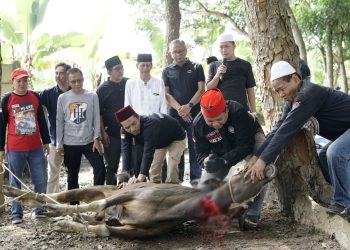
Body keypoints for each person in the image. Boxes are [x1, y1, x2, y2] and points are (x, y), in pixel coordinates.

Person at [246, 60, 350, 217]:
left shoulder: (309, 93)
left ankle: (344, 203)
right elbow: (277, 130)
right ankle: (344, 198)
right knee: (323, 156)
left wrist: (264, 160)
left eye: (282, 89)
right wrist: (256, 156)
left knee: (334, 153)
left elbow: (286, 132)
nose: (281, 95)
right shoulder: (292, 101)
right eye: (277, 92)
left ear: (295, 79)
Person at [193, 88, 267, 229]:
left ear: (226, 109)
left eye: (219, 119)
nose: (215, 124)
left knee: (259, 169)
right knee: (205, 186)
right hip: (222, 151)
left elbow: (245, 146)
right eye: (210, 121)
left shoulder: (238, 111)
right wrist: (206, 162)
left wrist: (225, 161)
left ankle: (252, 215)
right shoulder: (198, 125)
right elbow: (200, 152)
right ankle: (214, 214)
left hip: (251, 140)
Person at [0, 68, 50, 224]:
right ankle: (17, 213)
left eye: (25, 80)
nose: (22, 84)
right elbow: (2, 125)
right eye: (19, 81)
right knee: (15, 182)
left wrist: (46, 141)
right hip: (15, 148)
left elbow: (41, 119)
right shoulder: (7, 99)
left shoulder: (35, 96)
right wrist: (1, 149)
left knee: (40, 179)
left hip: (36, 147)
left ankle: (40, 210)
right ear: (13, 82)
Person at [56, 68, 105, 196]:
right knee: (72, 175)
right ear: (68, 82)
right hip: (70, 142)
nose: (77, 84)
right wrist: (59, 144)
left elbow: (96, 118)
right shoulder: (63, 98)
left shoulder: (92, 96)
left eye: (79, 80)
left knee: (100, 168)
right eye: (73, 81)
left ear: (83, 79)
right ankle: (74, 206)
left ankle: (96, 198)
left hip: (89, 141)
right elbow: (59, 121)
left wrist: (96, 138)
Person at [162, 39, 205, 183]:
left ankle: (196, 180)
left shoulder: (196, 67)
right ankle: (177, 180)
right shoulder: (167, 71)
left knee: (195, 148)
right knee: (176, 148)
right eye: (175, 51)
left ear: (186, 50)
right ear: (170, 53)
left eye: (181, 50)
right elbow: (166, 94)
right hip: (175, 115)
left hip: (195, 113)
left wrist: (189, 106)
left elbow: (201, 89)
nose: (178, 54)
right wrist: (180, 109)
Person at [116, 105, 186, 184]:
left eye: (134, 124)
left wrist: (139, 179)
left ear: (138, 117)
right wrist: (124, 179)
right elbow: (126, 152)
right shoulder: (124, 131)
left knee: (172, 167)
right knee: (154, 172)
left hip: (176, 137)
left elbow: (148, 152)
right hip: (158, 143)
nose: (132, 129)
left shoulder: (150, 123)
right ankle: (156, 192)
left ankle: (174, 190)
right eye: (127, 127)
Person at [124, 53, 167, 178]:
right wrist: (130, 129)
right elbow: (128, 107)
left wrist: (162, 126)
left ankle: (160, 190)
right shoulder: (130, 83)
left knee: (158, 162)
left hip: (156, 126)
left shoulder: (159, 82)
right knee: (139, 161)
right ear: (137, 66)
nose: (145, 68)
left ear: (151, 65)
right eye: (142, 65)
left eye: (148, 65)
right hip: (137, 127)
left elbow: (163, 105)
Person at [40, 62, 71, 193]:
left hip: (73, 140)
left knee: (72, 172)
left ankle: (72, 200)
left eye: (61, 73)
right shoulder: (48, 93)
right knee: (53, 173)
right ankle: (52, 201)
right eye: (56, 73)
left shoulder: (76, 92)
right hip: (54, 140)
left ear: (68, 75)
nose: (58, 76)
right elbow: (32, 101)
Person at [96, 56, 128, 185]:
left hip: (130, 132)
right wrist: (103, 133)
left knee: (131, 165)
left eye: (122, 67)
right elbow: (99, 114)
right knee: (111, 166)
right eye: (117, 69)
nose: (121, 71)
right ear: (109, 72)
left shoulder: (129, 83)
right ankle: (111, 196)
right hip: (112, 133)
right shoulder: (102, 90)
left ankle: (129, 194)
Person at [207, 33, 256, 112]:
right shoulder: (213, 65)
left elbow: (250, 89)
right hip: (220, 112)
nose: (224, 50)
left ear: (234, 46)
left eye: (227, 46)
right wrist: (217, 74)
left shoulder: (245, 65)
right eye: (221, 47)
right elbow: (208, 89)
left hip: (241, 109)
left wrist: (254, 112)